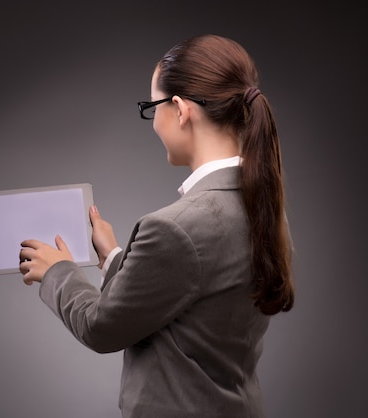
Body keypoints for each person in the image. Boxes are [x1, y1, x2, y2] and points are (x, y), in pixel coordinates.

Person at [18, 34, 295, 418]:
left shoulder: (174, 229)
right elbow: (182, 294)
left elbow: (101, 327)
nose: (153, 122)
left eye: (153, 106)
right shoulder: (266, 210)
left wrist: (57, 272)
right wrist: (114, 257)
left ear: (180, 109)